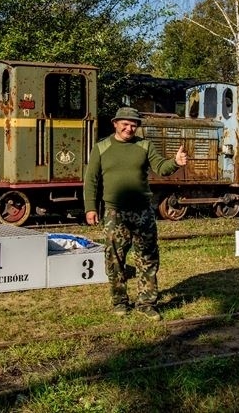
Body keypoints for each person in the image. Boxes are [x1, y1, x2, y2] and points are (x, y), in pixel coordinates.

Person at [83, 107, 187, 321]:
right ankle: (120, 301)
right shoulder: (101, 148)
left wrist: (175, 162)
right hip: (115, 213)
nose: (129, 128)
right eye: (125, 124)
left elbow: (160, 167)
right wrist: (90, 207)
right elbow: (91, 180)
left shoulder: (144, 145)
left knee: (147, 258)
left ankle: (146, 303)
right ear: (115, 123)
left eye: (134, 125)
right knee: (115, 259)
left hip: (142, 213)